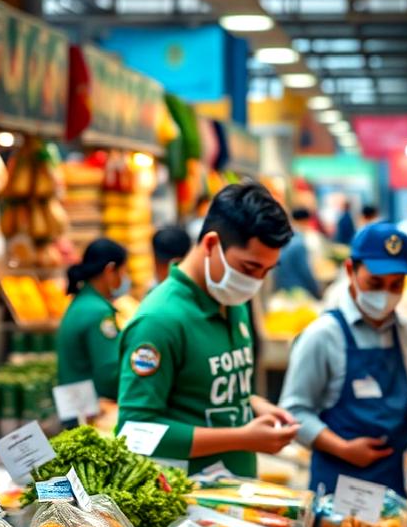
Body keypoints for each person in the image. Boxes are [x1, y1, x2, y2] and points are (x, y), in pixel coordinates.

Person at [117, 183, 298, 476]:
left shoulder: (231, 300)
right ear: (212, 244)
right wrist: (242, 438)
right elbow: (135, 430)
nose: (256, 282)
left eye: (266, 271)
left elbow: (203, 391)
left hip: (234, 495)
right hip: (186, 505)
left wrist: (254, 405)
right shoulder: (158, 320)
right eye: (250, 267)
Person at [279, 222, 407, 495]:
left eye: (396, 285)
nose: (385, 295)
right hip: (340, 485)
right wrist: (343, 448)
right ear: (350, 271)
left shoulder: (406, 332)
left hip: (395, 480)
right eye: (375, 283)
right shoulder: (323, 335)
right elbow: (293, 413)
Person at [56, 238, 128, 400]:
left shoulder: (81, 302)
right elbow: (109, 372)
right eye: (123, 271)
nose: (124, 278)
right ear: (110, 270)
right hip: (91, 410)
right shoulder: (99, 313)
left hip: (75, 404)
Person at [275, 208, 321, 297]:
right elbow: (305, 271)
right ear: (306, 221)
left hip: (282, 289)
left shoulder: (285, 237)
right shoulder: (299, 242)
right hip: (297, 291)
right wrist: (317, 291)